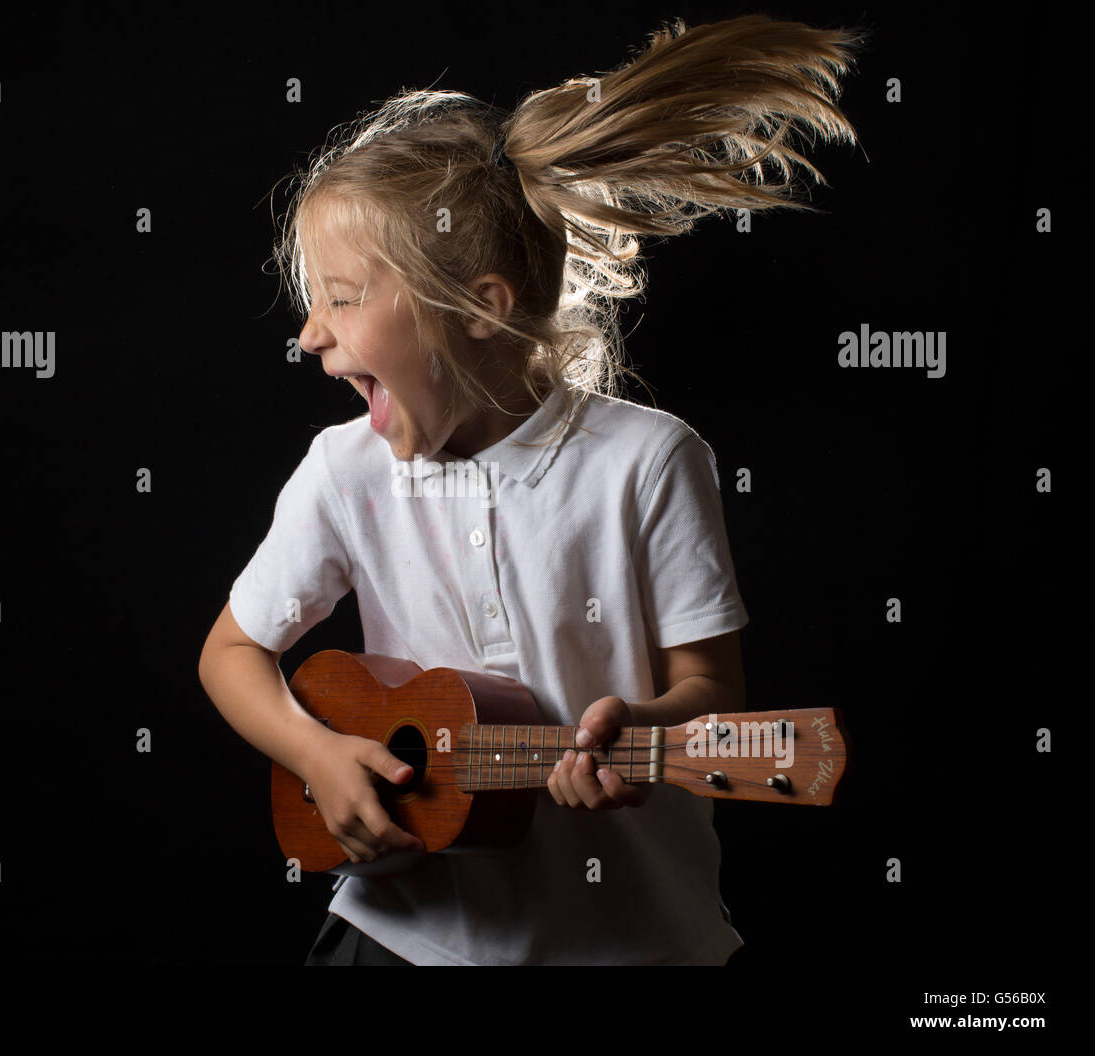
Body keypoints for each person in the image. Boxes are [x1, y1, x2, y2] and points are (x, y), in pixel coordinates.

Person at [198, 13, 864, 965]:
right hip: (404, 936)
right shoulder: (344, 472)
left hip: (632, 941)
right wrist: (314, 754)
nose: (309, 333)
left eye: (343, 296)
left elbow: (709, 691)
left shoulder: (648, 463)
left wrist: (647, 730)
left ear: (479, 307)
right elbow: (230, 651)